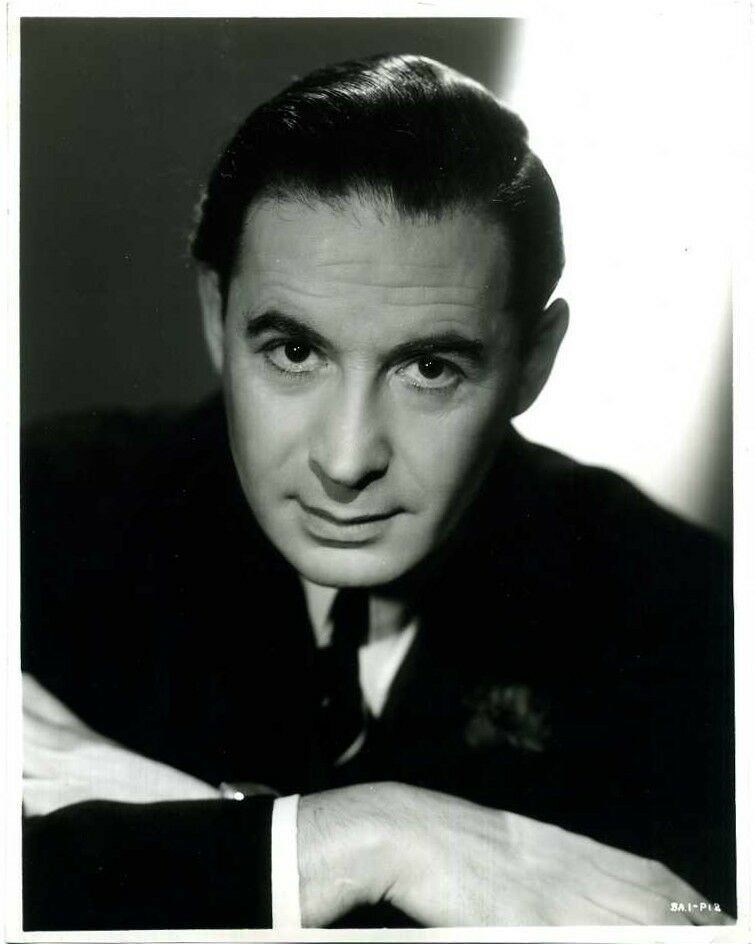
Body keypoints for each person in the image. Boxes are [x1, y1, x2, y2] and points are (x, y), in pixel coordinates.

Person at [21, 53, 735, 930]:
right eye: (294, 352)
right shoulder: (41, 514)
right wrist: (370, 837)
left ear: (532, 362)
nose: (347, 457)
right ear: (216, 314)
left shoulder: (691, 620)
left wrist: (208, 828)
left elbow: (697, 920)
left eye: (429, 368)